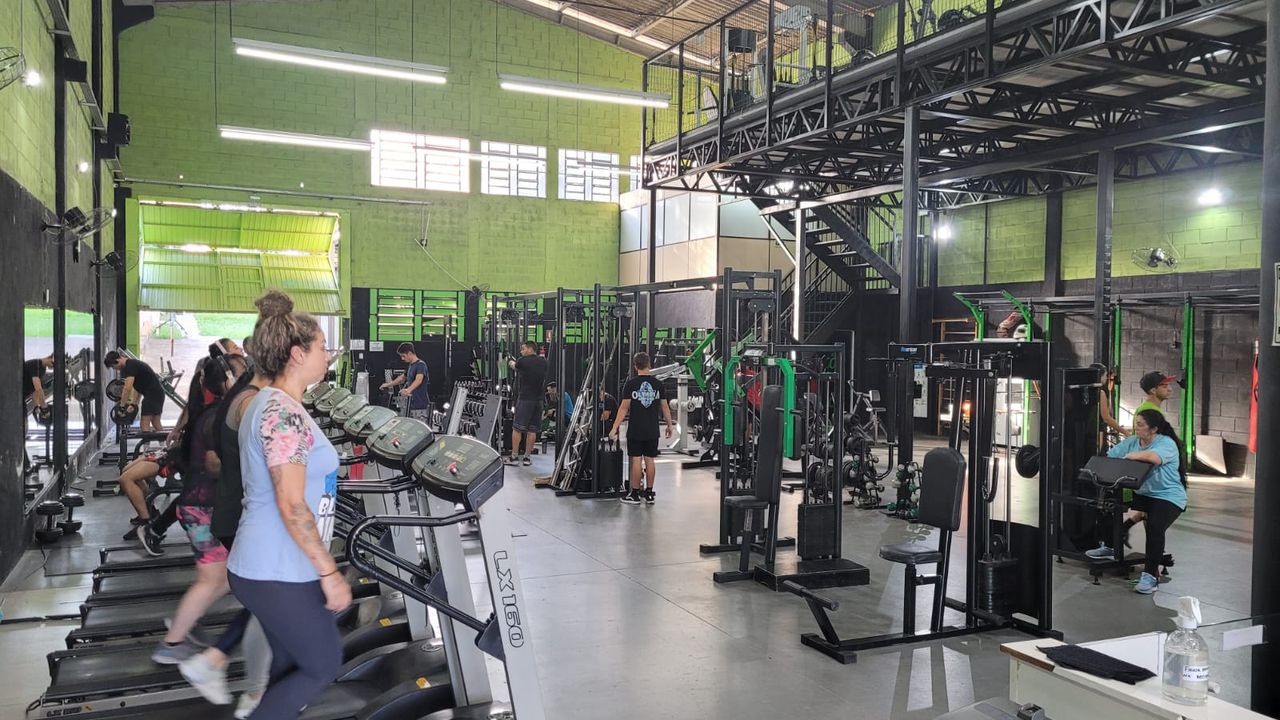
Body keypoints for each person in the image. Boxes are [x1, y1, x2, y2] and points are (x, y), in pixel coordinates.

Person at [227, 289, 349, 720]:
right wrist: (329, 573)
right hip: (276, 567)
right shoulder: (283, 413)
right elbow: (292, 504)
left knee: (289, 666)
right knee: (322, 664)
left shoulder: (270, 402)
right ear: (298, 354)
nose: (328, 355)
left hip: (271, 565)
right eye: (322, 347)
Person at [180, 345, 272, 718]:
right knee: (269, 602)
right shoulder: (252, 402)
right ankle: (247, 684)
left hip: (236, 513)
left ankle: (223, 664)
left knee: (265, 601)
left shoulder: (241, 399)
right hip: (244, 515)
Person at [150, 351, 246, 675]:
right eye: (243, 371)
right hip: (201, 506)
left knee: (225, 578)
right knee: (212, 579)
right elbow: (213, 464)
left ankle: (185, 621)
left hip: (199, 504)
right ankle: (172, 642)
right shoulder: (219, 416)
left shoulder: (212, 411)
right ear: (229, 381)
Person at [1087, 408, 1189, 595]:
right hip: (1142, 494)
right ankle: (1110, 545)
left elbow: (1153, 458)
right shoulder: (1133, 442)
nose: (1136, 428)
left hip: (1167, 496)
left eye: (1140, 425)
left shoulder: (1166, 443)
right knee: (1105, 504)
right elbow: (1111, 455)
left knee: (1155, 527)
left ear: (1153, 429)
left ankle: (1150, 577)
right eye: (1136, 424)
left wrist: (1130, 457)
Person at [609, 352, 674, 506]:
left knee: (636, 460)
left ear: (635, 366)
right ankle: (649, 493)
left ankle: (635, 494)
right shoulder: (658, 385)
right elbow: (665, 406)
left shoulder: (631, 384)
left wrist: (614, 427)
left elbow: (623, 408)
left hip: (636, 428)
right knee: (650, 460)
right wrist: (670, 424)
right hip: (652, 429)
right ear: (649, 364)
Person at [506, 342, 548, 467]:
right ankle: (527, 457)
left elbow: (514, 366)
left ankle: (514, 456)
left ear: (530, 349)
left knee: (517, 428)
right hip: (538, 400)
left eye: (523, 349)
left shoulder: (522, 361)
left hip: (525, 399)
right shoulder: (543, 362)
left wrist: (510, 361)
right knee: (532, 430)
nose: (521, 351)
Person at [104, 350, 166, 433]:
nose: (115, 369)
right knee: (156, 422)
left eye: (113, 366)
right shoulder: (132, 364)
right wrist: (134, 403)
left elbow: (127, 388)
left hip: (152, 395)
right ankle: (166, 441)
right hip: (157, 394)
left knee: (144, 423)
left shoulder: (129, 367)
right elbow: (138, 388)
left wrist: (122, 407)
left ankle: (146, 442)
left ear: (117, 361)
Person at [381, 342, 431, 422]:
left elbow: (418, 380)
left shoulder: (421, 365)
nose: (402, 359)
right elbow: (402, 378)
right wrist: (388, 384)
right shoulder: (411, 366)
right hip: (410, 405)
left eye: (403, 356)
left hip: (419, 407)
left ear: (410, 353)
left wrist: (408, 390)